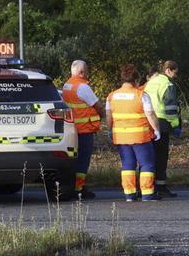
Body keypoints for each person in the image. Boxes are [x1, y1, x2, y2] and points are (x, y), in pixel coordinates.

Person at [106, 64, 160, 202]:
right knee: (146, 164)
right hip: (140, 136)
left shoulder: (112, 96)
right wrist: (156, 129)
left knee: (127, 165)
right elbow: (150, 114)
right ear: (136, 80)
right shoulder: (141, 94)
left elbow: (108, 116)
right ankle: (147, 194)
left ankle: (129, 194)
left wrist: (109, 130)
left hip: (121, 137)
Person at [61, 60, 105, 200]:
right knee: (83, 161)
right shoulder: (82, 87)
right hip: (84, 129)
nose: (88, 74)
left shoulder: (67, 85)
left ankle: (71, 186)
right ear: (81, 72)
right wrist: (105, 116)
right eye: (86, 71)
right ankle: (79, 189)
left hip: (71, 129)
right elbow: (97, 105)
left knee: (74, 160)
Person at [144, 60, 181, 198]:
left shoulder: (151, 82)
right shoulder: (168, 84)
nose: (176, 76)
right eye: (175, 72)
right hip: (162, 122)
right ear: (169, 70)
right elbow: (170, 107)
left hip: (148, 121)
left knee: (150, 155)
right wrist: (175, 125)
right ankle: (161, 186)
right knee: (161, 156)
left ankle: (149, 185)